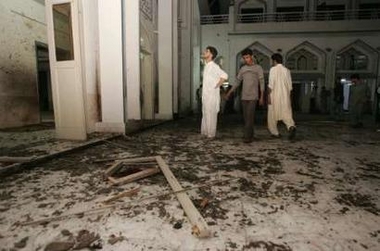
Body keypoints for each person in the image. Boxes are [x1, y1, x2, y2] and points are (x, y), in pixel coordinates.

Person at [225, 48, 265, 143]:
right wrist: (229, 92)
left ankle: (247, 137)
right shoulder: (243, 69)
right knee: (246, 118)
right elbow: (237, 82)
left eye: (247, 57)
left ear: (251, 56)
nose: (245, 59)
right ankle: (251, 135)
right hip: (244, 97)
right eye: (244, 58)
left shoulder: (258, 68)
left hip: (253, 97)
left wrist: (262, 96)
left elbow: (262, 82)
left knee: (250, 117)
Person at [200, 46, 228, 139]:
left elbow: (225, 76)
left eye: (207, 51)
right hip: (206, 95)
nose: (204, 52)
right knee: (205, 113)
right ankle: (205, 132)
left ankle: (211, 134)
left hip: (212, 95)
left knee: (211, 114)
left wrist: (216, 86)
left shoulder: (214, 66)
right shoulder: (206, 66)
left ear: (211, 54)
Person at [267, 53, 296, 140]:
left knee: (272, 115)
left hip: (274, 96)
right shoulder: (287, 70)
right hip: (285, 96)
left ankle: (275, 133)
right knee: (286, 113)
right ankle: (291, 126)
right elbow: (290, 86)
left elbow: (271, 85)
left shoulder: (273, 69)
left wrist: (268, 95)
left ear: (274, 61)